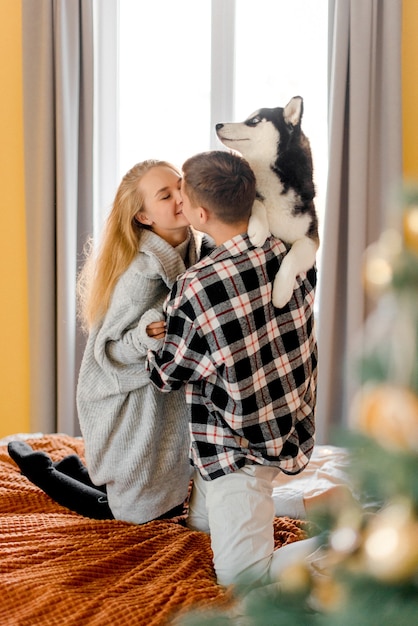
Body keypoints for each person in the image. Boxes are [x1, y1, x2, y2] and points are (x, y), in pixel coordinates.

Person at [146, 150, 319, 586]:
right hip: (285, 422)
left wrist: (149, 340)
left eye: (182, 196)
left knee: (243, 580)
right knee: (200, 525)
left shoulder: (196, 285)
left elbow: (166, 374)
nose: (178, 204)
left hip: (237, 448)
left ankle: (354, 542)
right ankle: (304, 503)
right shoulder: (288, 251)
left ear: (201, 214)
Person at [8, 159, 211, 524]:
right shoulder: (140, 276)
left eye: (180, 185)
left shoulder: (195, 248)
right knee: (133, 513)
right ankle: (40, 469)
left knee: (160, 492)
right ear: (144, 218)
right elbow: (107, 351)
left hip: (161, 395)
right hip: (126, 396)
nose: (180, 197)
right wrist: (144, 335)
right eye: (165, 195)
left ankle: (76, 467)